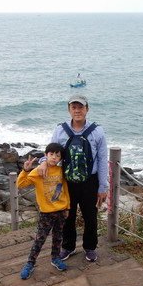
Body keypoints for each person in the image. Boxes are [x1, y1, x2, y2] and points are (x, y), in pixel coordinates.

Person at [38, 94, 108, 262]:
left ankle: (90, 247)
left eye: (81, 107)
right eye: (74, 107)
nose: (77, 110)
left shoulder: (97, 131)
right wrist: (42, 163)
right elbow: (52, 153)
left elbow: (102, 160)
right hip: (66, 181)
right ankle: (68, 246)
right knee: (67, 215)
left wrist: (102, 187)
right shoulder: (60, 130)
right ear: (69, 109)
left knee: (90, 215)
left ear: (87, 109)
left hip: (90, 181)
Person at [17, 143, 70, 280]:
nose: (54, 158)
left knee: (58, 237)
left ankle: (55, 258)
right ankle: (30, 263)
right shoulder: (39, 171)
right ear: (46, 155)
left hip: (61, 210)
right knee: (40, 239)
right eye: (51, 154)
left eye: (57, 156)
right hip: (46, 212)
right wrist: (26, 170)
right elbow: (21, 185)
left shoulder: (61, 171)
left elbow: (65, 190)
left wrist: (67, 207)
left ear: (60, 159)